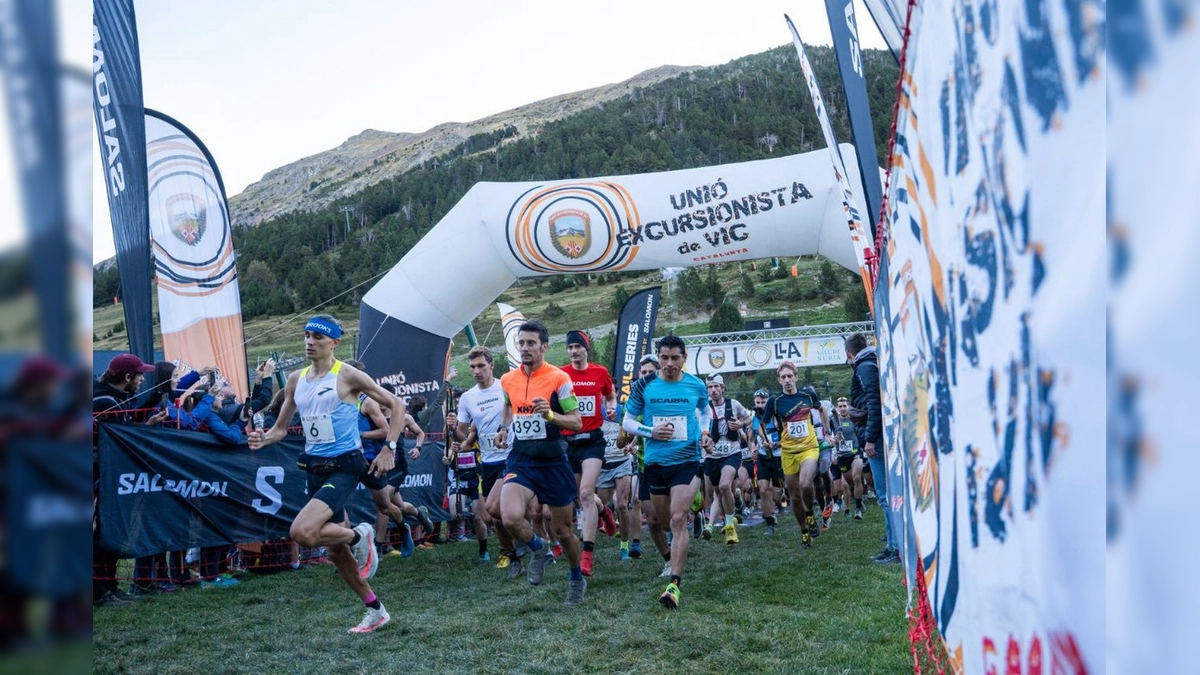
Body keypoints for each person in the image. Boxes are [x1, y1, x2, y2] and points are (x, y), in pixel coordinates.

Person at [248, 314, 407, 633]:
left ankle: (360, 534)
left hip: (346, 464)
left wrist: (389, 446)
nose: (309, 342)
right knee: (335, 551)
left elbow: (397, 405)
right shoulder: (295, 379)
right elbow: (280, 429)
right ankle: (375, 610)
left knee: (302, 532)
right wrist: (263, 438)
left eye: (318, 337)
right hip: (315, 467)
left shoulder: (347, 375)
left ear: (334, 342)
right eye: (307, 335)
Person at [493, 320, 588, 606]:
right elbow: (509, 406)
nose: (525, 348)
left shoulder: (559, 378)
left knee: (563, 530)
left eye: (531, 343)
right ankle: (538, 547)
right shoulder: (508, 379)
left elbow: (577, 422)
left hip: (552, 460)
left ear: (544, 347)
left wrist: (551, 416)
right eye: (521, 343)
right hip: (521, 459)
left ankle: (575, 577)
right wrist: (503, 428)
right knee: (508, 516)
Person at [621, 335, 712, 610]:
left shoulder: (695, 385)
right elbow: (626, 421)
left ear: (684, 358)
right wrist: (651, 432)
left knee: (677, 519)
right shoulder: (643, 385)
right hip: (656, 463)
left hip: (686, 460)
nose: (670, 363)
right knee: (660, 522)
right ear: (658, 358)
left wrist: (706, 431)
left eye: (675, 358)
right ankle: (688, 522)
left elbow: (705, 411)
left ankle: (674, 583)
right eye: (664, 358)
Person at [93, 353, 161, 607]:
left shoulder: (113, 398)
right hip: (93, 476)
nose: (143, 379)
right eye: (140, 374)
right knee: (98, 536)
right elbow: (118, 443)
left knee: (106, 533)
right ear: (128, 377)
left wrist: (147, 424)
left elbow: (123, 433)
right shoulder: (104, 401)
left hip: (103, 475)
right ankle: (99, 592)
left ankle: (109, 587)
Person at [343, 359, 422, 559]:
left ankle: (403, 529)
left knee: (385, 506)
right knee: (338, 504)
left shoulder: (367, 402)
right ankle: (346, 554)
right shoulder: (339, 400)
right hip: (347, 459)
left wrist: (361, 435)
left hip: (370, 461)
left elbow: (385, 430)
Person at [454, 347, 520, 574]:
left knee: (518, 508)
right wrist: (464, 440)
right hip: (489, 460)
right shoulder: (468, 397)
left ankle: (531, 544)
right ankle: (508, 550)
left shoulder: (506, 385)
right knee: (491, 514)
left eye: (481, 366)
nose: (476, 371)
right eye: (472, 367)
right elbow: (462, 431)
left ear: (491, 365)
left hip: (513, 456)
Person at [559, 329, 618, 577]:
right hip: (568, 441)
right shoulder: (560, 374)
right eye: (570, 347)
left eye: (578, 347)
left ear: (586, 348)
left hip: (593, 441)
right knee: (578, 495)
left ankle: (587, 555)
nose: (574, 352)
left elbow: (610, 394)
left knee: (585, 493)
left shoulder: (600, 372)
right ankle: (604, 510)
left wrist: (611, 407)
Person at [761, 361, 829, 548]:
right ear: (779, 380)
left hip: (809, 447)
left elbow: (821, 410)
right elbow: (762, 423)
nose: (787, 380)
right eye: (783, 377)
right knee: (795, 498)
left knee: (805, 483)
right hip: (788, 451)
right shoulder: (775, 401)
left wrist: (827, 431)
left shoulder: (808, 395)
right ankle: (804, 530)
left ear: (796, 377)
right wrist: (765, 439)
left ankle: (810, 514)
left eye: (790, 376)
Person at [846, 332, 897, 564]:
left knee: (885, 495)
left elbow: (874, 404)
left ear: (849, 354)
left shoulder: (864, 368)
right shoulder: (873, 363)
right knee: (888, 493)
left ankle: (894, 547)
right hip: (881, 434)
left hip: (876, 437)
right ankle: (892, 537)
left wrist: (869, 438)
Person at [699, 374, 752, 546]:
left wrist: (741, 425)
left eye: (716, 387)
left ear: (722, 388)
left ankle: (729, 527)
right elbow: (697, 428)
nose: (713, 390)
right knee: (717, 493)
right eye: (710, 387)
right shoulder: (703, 408)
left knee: (724, 486)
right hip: (711, 455)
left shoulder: (733, 404)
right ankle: (730, 517)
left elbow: (748, 417)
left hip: (732, 452)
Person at [595, 413, 636, 561]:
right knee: (601, 506)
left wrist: (630, 440)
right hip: (603, 466)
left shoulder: (624, 412)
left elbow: (634, 432)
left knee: (622, 506)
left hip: (622, 463)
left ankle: (624, 547)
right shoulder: (596, 411)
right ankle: (608, 515)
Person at [752, 388, 784, 536]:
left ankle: (777, 504)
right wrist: (754, 447)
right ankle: (769, 522)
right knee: (763, 489)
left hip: (778, 458)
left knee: (775, 494)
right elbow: (753, 435)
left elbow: (787, 438)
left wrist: (775, 444)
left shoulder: (777, 415)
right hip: (763, 457)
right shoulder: (755, 417)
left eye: (763, 402)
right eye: (757, 402)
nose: (760, 405)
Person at [834, 397, 865, 520]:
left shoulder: (855, 419)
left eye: (844, 406)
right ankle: (858, 501)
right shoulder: (834, 421)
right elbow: (827, 435)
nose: (842, 408)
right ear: (837, 408)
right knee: (849, 484)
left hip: (855, 453)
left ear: (849, 407)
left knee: (857, 478)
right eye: (840, 406)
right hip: (842, 457)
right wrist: (832, 440)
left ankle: (857, 509)